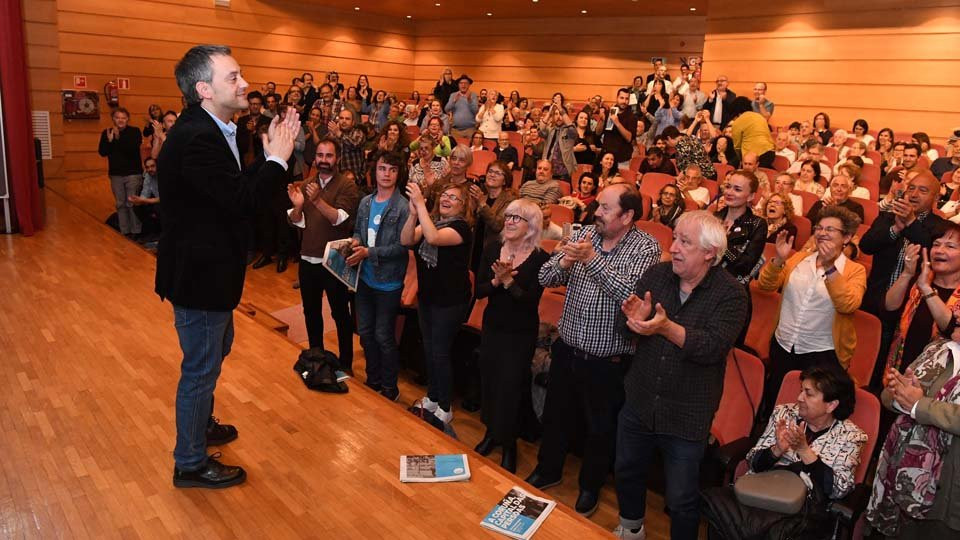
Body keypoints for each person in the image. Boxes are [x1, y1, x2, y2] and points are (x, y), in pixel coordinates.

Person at [156, 45, 299, 488]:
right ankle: (191, 461)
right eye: (233, 77)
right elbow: (242, 202)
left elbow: (233, 188)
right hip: (201, 278)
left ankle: (200, 426)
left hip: (211, 273)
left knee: (215, 355)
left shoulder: (216, 129)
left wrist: (271, 157)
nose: (245, 84)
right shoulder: (198, 138)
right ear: (204, 89)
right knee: (200, 369)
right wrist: (277, 158)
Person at [526, 184, 661, 517]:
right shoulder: (585, 232)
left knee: (601, 428)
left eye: (605, 208)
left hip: (609, 359)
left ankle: (590, 486)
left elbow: (630, 295)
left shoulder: (646, 247)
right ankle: (549, 469)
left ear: (628, 215)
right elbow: (545, 276)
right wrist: (565, 261)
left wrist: (592, 259)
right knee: (556, 415)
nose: (596, 212)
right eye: (598, 206)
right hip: (568, 346)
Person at [615, 210, 749, 540]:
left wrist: (664, 327)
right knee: (627, 471)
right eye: (675, 238)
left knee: (681, 498)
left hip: (687, 414)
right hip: (640, 400)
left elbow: (712, 347)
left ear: (709, 253)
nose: (673, 247)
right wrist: (636, 321)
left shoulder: (732, 294)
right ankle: (631, 529)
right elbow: (627, 327)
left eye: (684, 242)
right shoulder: (657, 275)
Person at [703, 366, 867, 540]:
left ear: (831, 405)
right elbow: (754, 463)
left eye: (808, 394)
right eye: (800, 390)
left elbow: (837, 490)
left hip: (802, 511)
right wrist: (777, 450)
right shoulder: (784, 413)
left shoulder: (852, 437)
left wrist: (805, 451)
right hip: (762, 492)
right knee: (719, 508)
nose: (799, 398)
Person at [758, 206, 866, 409]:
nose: (822, 233)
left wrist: (830, 267)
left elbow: (848, 305)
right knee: (778, 402)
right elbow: (766, 285)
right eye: (819, 227)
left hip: (822, 354)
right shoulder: (799, 258)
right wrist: (779, 260)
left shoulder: (854, 270)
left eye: (830, 229)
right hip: (784, 345)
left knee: (811, 410)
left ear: (846, 237)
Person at [474, 199, 550, 472]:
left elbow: (530, 300)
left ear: (531, 226)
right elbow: (480, 290)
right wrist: (496, 281)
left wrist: (508, 281)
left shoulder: (541, 258)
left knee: (511, 387)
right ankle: (491, 433)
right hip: (493, 327)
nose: (509, 221)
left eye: (517, 218)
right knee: (491, 381)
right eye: (508, 216)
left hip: (520, 333)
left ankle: (509, 444)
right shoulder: (493, 248)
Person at [867, 328, 960, 539]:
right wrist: (902, 394)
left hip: (947, 491)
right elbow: (887, 396)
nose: (956, 311)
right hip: (901, 472)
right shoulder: (937, 349)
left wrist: (919, 405)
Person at [401, 182, 474, 424]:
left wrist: (420, 204)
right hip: (429, 298)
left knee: (441, 352)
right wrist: (413, 214)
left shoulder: (461, 227)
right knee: (429, 349)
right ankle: (432, 396)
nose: (446, 199)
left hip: (450, 302)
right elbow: (406, 239)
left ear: (463, 206)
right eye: (444, 194)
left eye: (454, 197)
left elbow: (432, 238)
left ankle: (445, 405)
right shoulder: (432, 221)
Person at [287, 136, 360, 370]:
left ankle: (346, 363)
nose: (324, 160)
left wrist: (316, 200)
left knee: (340, 314)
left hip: (334, 260)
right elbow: (295, 222)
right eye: (320, 155)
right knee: (311, 312)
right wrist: (298, 206)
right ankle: (316, 357)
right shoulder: (306, 183)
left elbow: (340, 219)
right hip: (308, 258)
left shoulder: (347, 185)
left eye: (329, 155)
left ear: (337, 158)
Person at [347, 151, 409, 402]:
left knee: (383, 335)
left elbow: (402, 247)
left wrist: (368, 251)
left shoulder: (403, 206)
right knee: (365, 332)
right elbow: (359, 232)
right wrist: (355, 242)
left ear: (397, 174)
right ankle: (372, 380)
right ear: (375, 171)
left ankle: (389, 387)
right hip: (365, 278)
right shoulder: (365, 202)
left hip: (388, 283)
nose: (386, 174)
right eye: (382, 168)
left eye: (392, 170)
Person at [882, 224, 960, 377]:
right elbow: (888, 309)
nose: (939, 250)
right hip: (899, 371)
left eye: (950, 246)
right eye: (936, 245)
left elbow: (951, 330)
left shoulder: (923, 284)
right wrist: (907, 273)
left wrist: (926, 289)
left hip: (938, 380)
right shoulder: (920, 279)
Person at [98, 107, 144, 237]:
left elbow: (131, 149)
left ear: (127, 119)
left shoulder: (134, 131)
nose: (121, 120)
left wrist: (117, 138)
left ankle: (136, 231)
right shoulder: (106, 132)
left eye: (123, 118)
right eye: (118, 117)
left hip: (132, 173)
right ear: (113, 119)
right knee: (120, 204)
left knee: (132, 203)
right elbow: (102, 152)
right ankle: (125, 231)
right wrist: (110, 141)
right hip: (116, 174)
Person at [716, 170, 767, 285]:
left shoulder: (757, 224)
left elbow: (745, 266)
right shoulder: (714, 218)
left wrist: (722, 243)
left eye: (737, 189)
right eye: (728, 187)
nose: (729, 192)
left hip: (732, 289)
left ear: (751, 196)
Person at [470, 160, 518, 271]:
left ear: (505, 181)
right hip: (475, 248)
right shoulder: (483, 196)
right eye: (490, 171)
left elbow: (498, 225)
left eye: (497, 173)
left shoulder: (510, 200)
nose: (492, 174)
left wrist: (482, 204)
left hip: (494, 251)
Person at [728, 97, 776, 168]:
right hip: (770, 152)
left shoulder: (738, 122)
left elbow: (737, 146)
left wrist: (740, 159)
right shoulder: (760, 117)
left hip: (753, 156)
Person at [601, 88, 638, 170]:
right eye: (622, 98)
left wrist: (617, 123)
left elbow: (629, 138)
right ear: (617, 98)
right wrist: (601, 120)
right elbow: (598, 132)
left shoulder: (632, 117)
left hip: (622, 160)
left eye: (626, 99)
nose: (624, 101)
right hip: (606, 157)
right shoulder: (609, 112)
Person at [445, 74, 479, 139]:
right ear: (458, 85)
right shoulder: (453, 95)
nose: (463, 85)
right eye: (461, 83)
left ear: (469, 85)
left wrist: (470, 101)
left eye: (466, 83)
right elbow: (446, 109)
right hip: (455, 131)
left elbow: (475, 111)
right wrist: (454, 101)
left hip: (470, 130)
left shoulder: (473, 95)